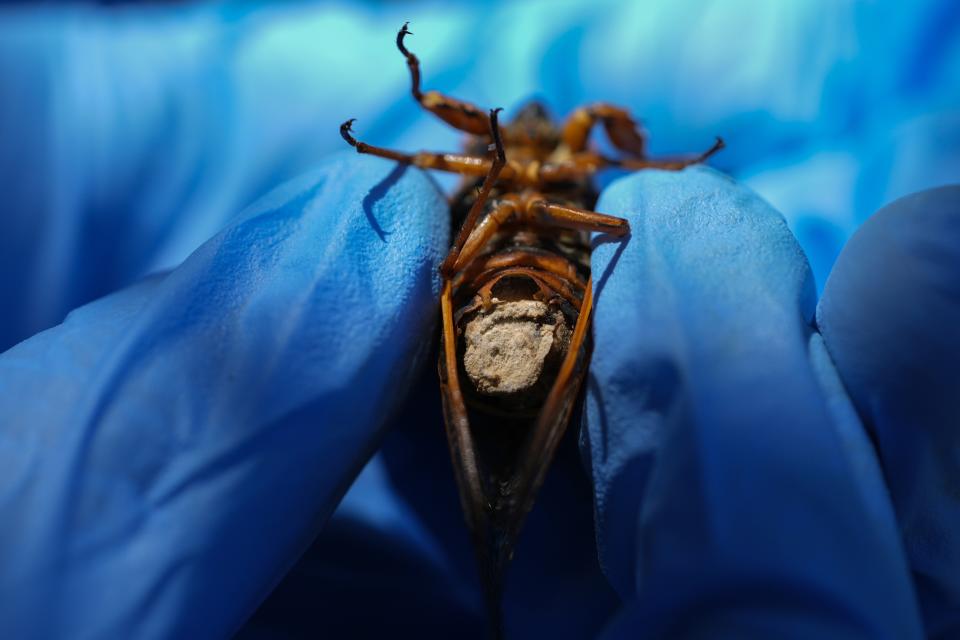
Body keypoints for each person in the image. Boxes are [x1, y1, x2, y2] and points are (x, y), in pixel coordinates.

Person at [0, 3, 957, 638]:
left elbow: (591, 172)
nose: (538, 122)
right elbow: (440, 140)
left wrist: (644, 170)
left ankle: (507, 508)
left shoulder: (543, 153)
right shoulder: (478, 158)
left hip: (532, 276)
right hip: (493, 271)